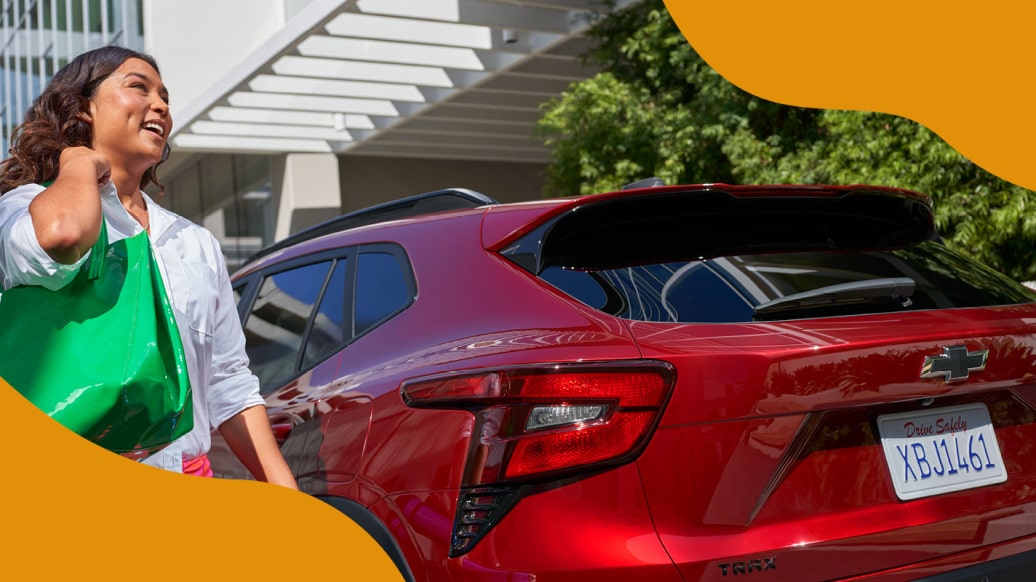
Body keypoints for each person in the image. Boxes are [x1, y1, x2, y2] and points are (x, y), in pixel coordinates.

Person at [0, 46, 298, 489]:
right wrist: (79, 164)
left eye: (165, 97)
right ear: (83, 108)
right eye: (138, 87)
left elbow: (229, 383)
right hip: (65, 488)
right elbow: (63, 236)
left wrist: (286, 496)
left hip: (184, 490)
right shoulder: (22, 206)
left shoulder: (195, 243)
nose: (160, 105)